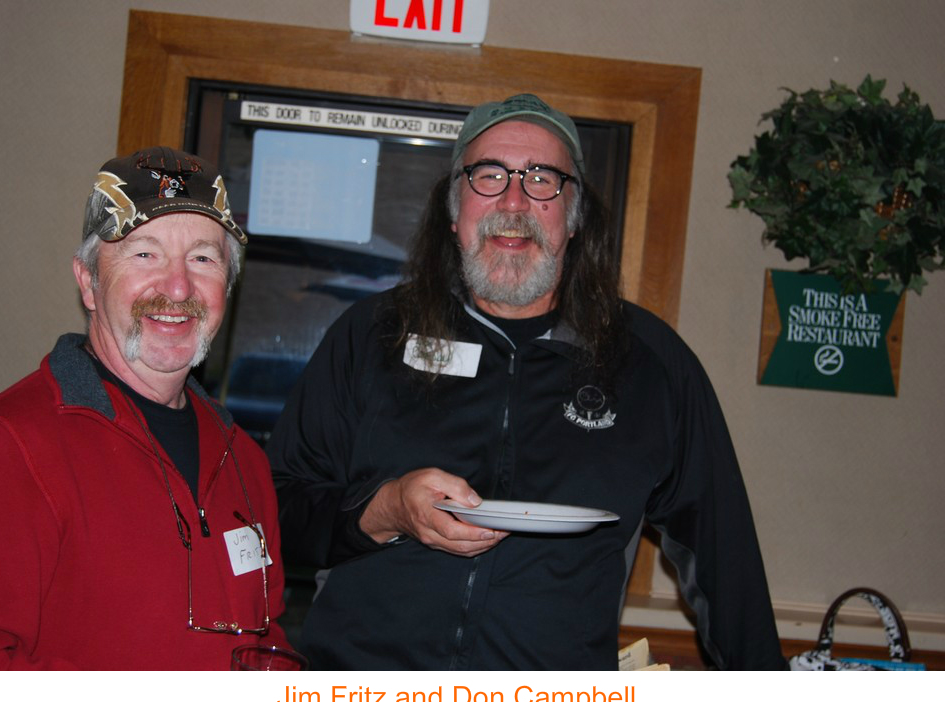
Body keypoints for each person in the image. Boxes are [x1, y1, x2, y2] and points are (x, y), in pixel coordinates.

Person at [268, 94, 786, 670]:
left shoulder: (650, 364)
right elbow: (276, 512)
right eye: (489, 175)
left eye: (542, 179)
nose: (513, 202)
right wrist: (383, 510)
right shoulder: (372, 335)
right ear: (453, 210)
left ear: (574, 217)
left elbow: (725, 560)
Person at [0, 147, 293, 669]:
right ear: (88, 282)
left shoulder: (244, 461)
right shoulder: (4, 448)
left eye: (203, 258)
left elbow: (265, 641)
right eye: (145, 254)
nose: (178, 287)